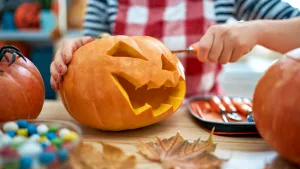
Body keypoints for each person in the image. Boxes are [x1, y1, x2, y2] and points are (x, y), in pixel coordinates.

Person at [50, 0, 300, 98]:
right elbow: (91, 50)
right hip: (126, 126)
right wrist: (76, 52)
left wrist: (258, 30)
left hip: (204, 118)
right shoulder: (104, 1)